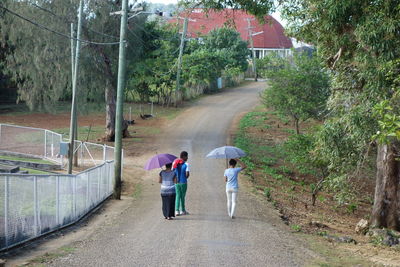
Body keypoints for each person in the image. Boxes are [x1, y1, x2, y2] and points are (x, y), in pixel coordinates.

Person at [173, 151, 190, 216]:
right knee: (182, 197)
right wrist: (185, 177)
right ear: (183, 157)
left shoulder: (175, 162)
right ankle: (183, 210)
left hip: (176, 182)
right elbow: (187, 174)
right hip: (183, 183)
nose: (187, 158)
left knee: (177, 195)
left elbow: (173, 171)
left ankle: (176, 210)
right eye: (187, 156)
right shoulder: (186, 164)